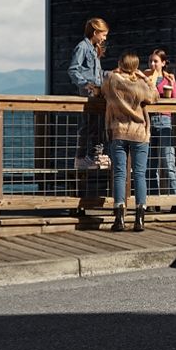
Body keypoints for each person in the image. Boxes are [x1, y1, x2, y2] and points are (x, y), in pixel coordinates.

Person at [102, 51, 159, 232]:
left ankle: (119, 217)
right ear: (136, 66)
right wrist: (145, 77)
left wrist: (115, 71)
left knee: (119, 174)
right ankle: (139, 218)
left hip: (119, 131)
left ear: (120, 63)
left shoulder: (112, 80)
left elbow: (102, 89)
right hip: (139, 133)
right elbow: (155, 96)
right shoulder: (141, 84)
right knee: (140, 174)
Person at [68, 18, 111, 170]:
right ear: (95, 32)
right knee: (87, 125)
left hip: (98, 94)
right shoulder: (82, 47)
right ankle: (81, 158)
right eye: (103, 35)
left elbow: (98, 73)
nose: (104, 38)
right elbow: (73, 70)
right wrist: (85, 84)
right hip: (88, 94)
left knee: (97, 125)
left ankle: (95, 155)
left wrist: (112, 74)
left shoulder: (94, 49)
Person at [145, 49, 176, 213]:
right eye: (151, 61)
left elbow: (175, 101)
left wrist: (166, 95)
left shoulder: (169, 79)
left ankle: (175, 201)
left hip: (164, 120)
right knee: (150, 164)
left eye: (156, 61)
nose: (152, 64)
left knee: (168, 162)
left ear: (163, 63)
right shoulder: (145, 77)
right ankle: (154, 201)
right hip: (148, 120)